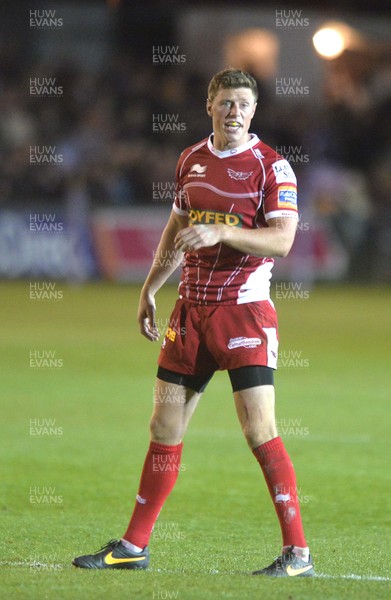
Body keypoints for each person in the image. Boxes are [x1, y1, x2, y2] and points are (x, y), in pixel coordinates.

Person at [73, 68, 314, 577]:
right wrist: (149, 288)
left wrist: (219, 235)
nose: (234, 112)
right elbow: (177, 228)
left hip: (243, 311)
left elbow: (283, 241)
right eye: (225, 102)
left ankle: (297, 553)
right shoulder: (190, 160)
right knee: (163, 425)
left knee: (258, 428)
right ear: (210, 106)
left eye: (243, 104)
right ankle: (134, 547)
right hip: (188, 315)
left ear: (254, 112)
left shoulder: (274, 168)